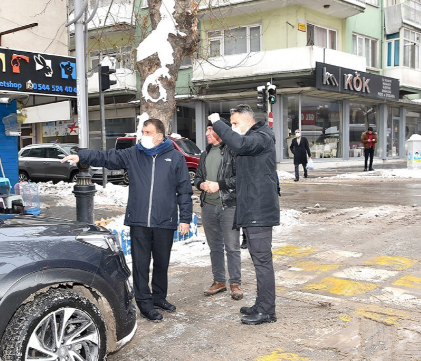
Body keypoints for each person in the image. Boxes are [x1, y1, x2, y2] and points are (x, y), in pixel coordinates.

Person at [62, 118, 193, 322]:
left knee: (161, 263)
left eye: (148, 132)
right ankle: (145, 304)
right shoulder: (134, 154)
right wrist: (81, 156)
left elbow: (184, 190)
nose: (143, 136)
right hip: (139, 219)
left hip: (164, 220)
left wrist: (185, 217)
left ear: (160, 135)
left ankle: (159, 297)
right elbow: (106, 157)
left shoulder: (175, 157)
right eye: (143, 132)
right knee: (141, 264)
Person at [208, 104, 280, 325]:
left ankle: (267, 311)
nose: (233, 128)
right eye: (231, 124)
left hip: (258, 210)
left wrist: (217, 123)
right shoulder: (254, 140)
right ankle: (262, 304)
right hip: (252, 209)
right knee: (259, 260)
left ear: (248, 122)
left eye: (235, 123)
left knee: (262, 261)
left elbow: (238, 142)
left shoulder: (261, 137)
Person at [194, 117, 242, 300]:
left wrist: (218, 185)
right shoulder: (205, 153)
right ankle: (219, 281)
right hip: (208, 207)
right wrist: (201, 185)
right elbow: (197, 176)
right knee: (215, 247)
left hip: (229, 206)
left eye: (209, 129)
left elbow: (240, 179)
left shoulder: (232, 151)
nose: (206, 133)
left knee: (232, 247)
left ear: (219, 131)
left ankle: (235, 283)